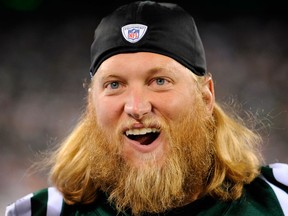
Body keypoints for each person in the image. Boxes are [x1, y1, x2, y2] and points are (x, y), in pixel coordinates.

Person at [5, 1, 288, 216]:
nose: (137, 107)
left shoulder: (279, 200)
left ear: (205, 97)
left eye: (159, 81)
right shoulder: (39, 212)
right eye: (114, 85)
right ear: (92, 103)